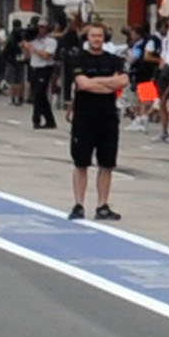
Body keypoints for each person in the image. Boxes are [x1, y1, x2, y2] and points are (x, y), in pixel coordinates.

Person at [66, 19, 128, 220]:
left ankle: (102, 205)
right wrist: (108, 83)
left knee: (107, 164)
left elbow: (122, 82)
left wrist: (96, 82)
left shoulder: (114, 60)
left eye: (100, 36)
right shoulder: (78, 58)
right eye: (93, 36)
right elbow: (82, 84)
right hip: (84, 117)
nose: (96, 39)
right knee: (81, 163)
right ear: (87, 37)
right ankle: (79, 204)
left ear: (104, 38)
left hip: (108, 117)